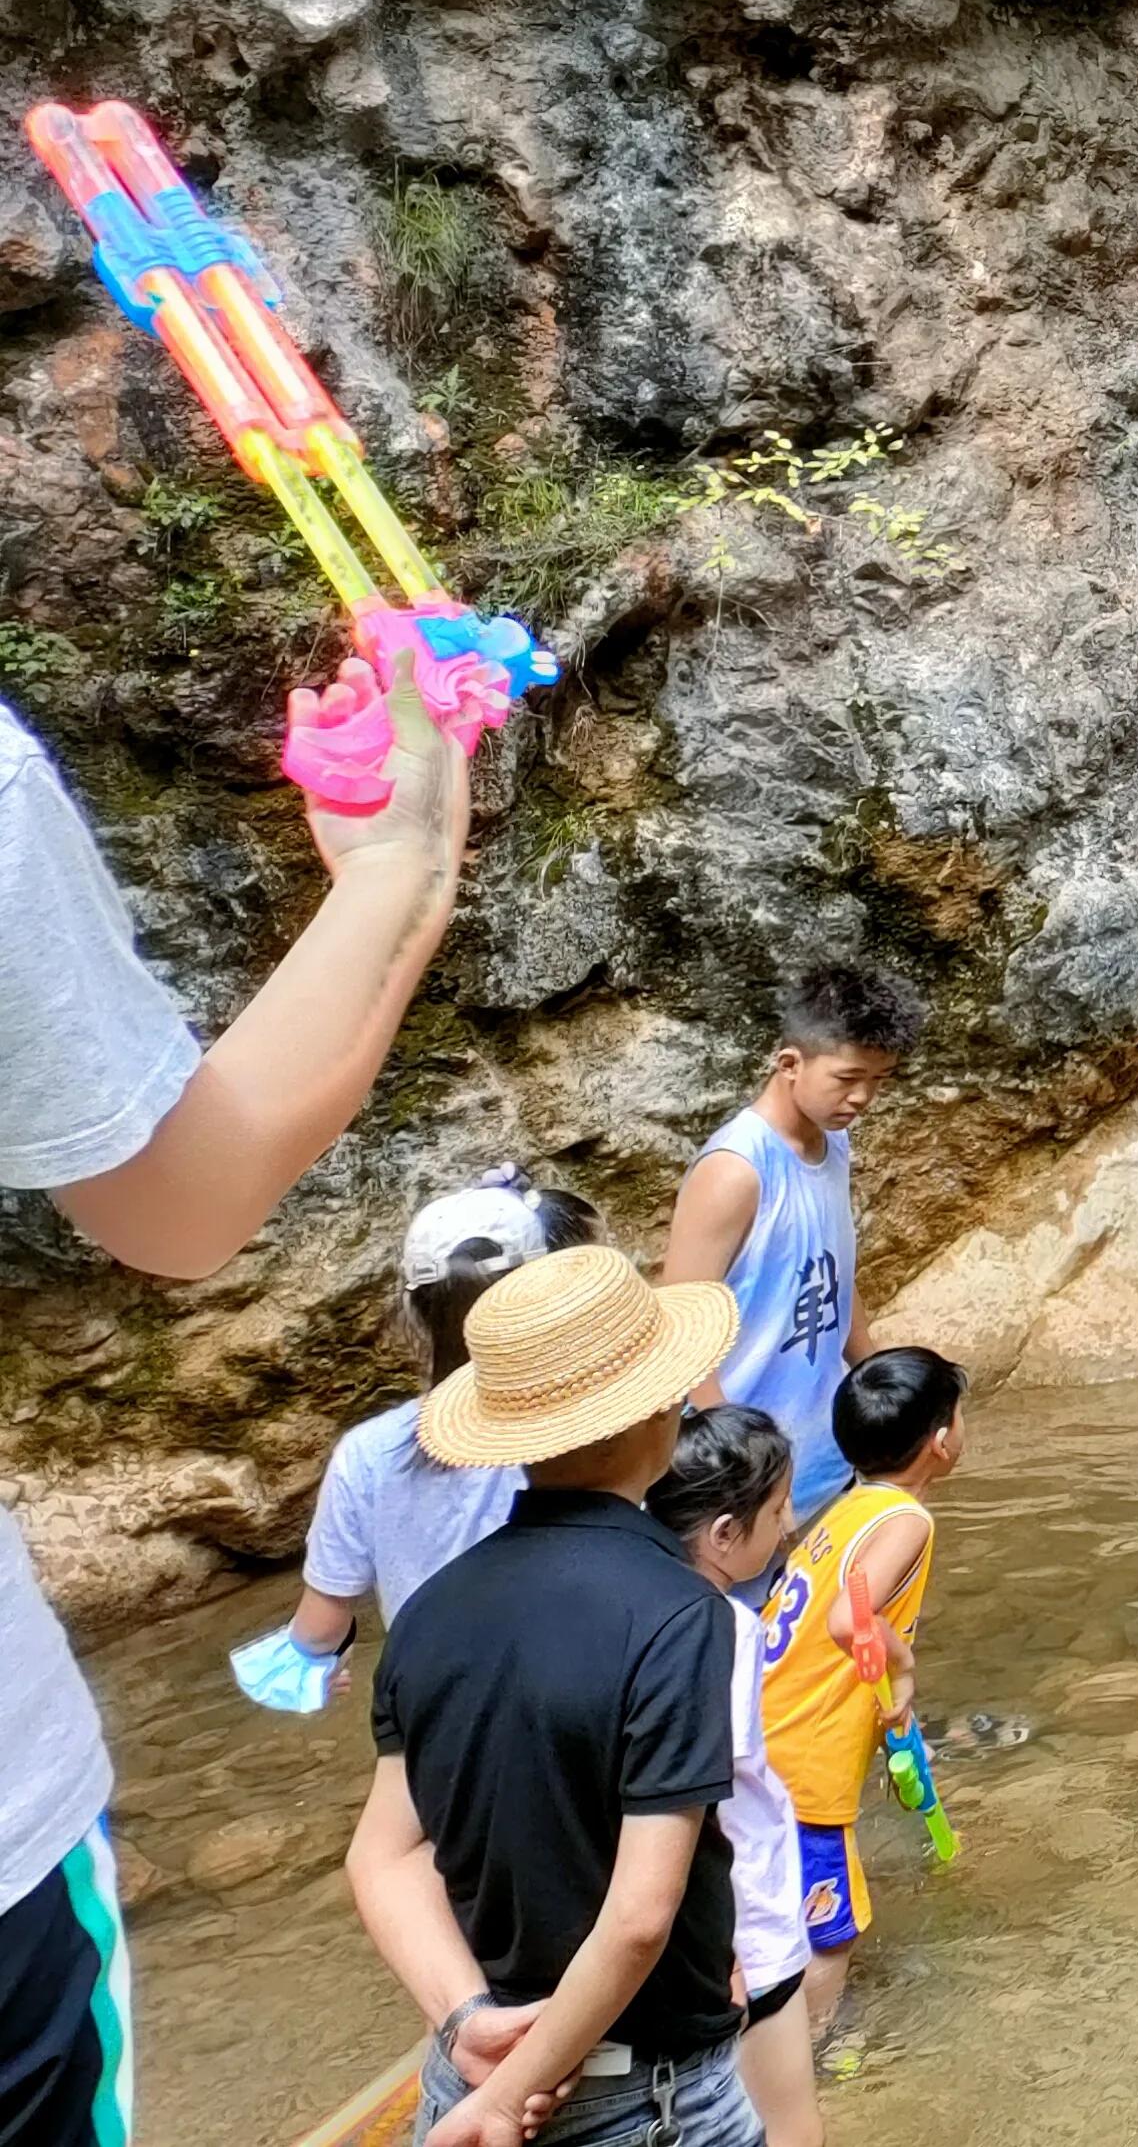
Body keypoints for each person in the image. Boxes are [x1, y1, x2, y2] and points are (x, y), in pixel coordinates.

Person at [2, 644, 469, 2147]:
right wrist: (401, 867)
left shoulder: (377, 1453)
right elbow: (181, 1201)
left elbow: (324, 1616)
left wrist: (313, 1656)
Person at [341, 1244, 752, 2147]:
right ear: (660, 1408)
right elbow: (639, 1917)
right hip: (639, 2097)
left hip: (472, 2070)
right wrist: (508, 2097)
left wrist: (467, 2021)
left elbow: (383, 1856)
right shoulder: (680, 1613)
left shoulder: (429, 1611)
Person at [238, 1178, 595, 1712]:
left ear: (413, 1312)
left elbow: (318, 1632)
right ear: (544, 1292)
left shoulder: (368, 1453)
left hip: (441, 1713)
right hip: (579, 1689)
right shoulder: (585, 1416)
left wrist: (312, 1669)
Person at [752, 1347, 966, 2049]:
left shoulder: (850, 1507)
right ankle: (816, 2053)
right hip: (806, 1758)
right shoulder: (907, 1520)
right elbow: (851, 1620)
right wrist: (903, 1669)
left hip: (763, 1729)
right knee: (832, 1930)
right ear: (941, 1440)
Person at [663, 967, 922, 1525]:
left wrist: (883, 1385)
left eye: (880, 1079)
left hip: (825, 1455)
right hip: (744, 1478)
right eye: (848, 1077)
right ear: (789, 1064)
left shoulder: (834, 1142)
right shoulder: (735, 1170)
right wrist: (743, 1474)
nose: (864, 1097)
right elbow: (678, 1330)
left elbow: (832, 1272)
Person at [646, 1407, 822, 2147]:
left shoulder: (639, 1606)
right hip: (741, 1924)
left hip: (686, 1942)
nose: (789, 1526)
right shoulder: (724, 1626)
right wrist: (733, 1957)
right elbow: (709, 1796)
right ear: (723, 1533)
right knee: (791, 2127)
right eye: (777, 1511)